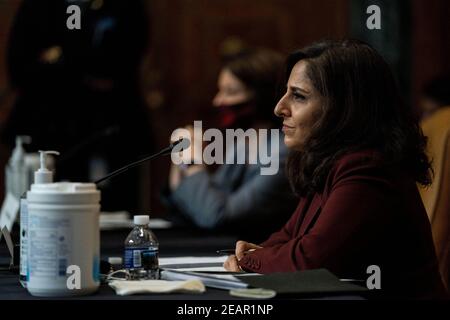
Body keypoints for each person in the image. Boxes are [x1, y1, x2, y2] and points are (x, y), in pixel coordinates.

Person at [224, 39, 447, 299]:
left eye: (298, 96)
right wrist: (255, 255)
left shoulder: (368, 168)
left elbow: (311, 259)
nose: (279, 108)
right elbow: (288, 237)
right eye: (286, 93)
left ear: (343, 107)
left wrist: (252, 260)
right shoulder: (329, 161)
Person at [162, 48, 298, 242]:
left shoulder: (283, 152)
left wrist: (193, 161)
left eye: (231, 92)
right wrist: (180, 158)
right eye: (220, 90)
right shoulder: (244, 143)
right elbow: (193, 206)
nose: (218, 101)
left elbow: (215, 215)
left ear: (263, 96)